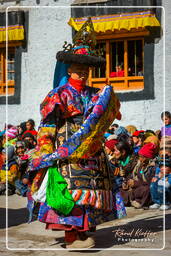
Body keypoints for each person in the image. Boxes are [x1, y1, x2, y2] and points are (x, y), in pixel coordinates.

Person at [27, 18, 125, 249]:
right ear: (69, 69)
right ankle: (72, 235)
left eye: (86, 70)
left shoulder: (95, 93)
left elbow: (103, 117)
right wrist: (46, 149)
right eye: (78, 70)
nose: (83, 74)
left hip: (92, 149)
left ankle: (85, 230)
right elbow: (48, 125)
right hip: (67, 146)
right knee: (71, 189)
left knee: (93, 188)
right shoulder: (58, 94)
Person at [120, 143, 156, 209]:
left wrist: (136, 183)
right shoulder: (140, 165)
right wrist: (127, 182)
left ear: (148, 157)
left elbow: (150, 183)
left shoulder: (153, 167)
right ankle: (133, 200)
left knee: (146, 189)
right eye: (139, 156)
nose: (140, 159)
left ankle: (139, 202)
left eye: (142, 157)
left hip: (145, 188)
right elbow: (135, 175)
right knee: (120, 189)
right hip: (137, 187)